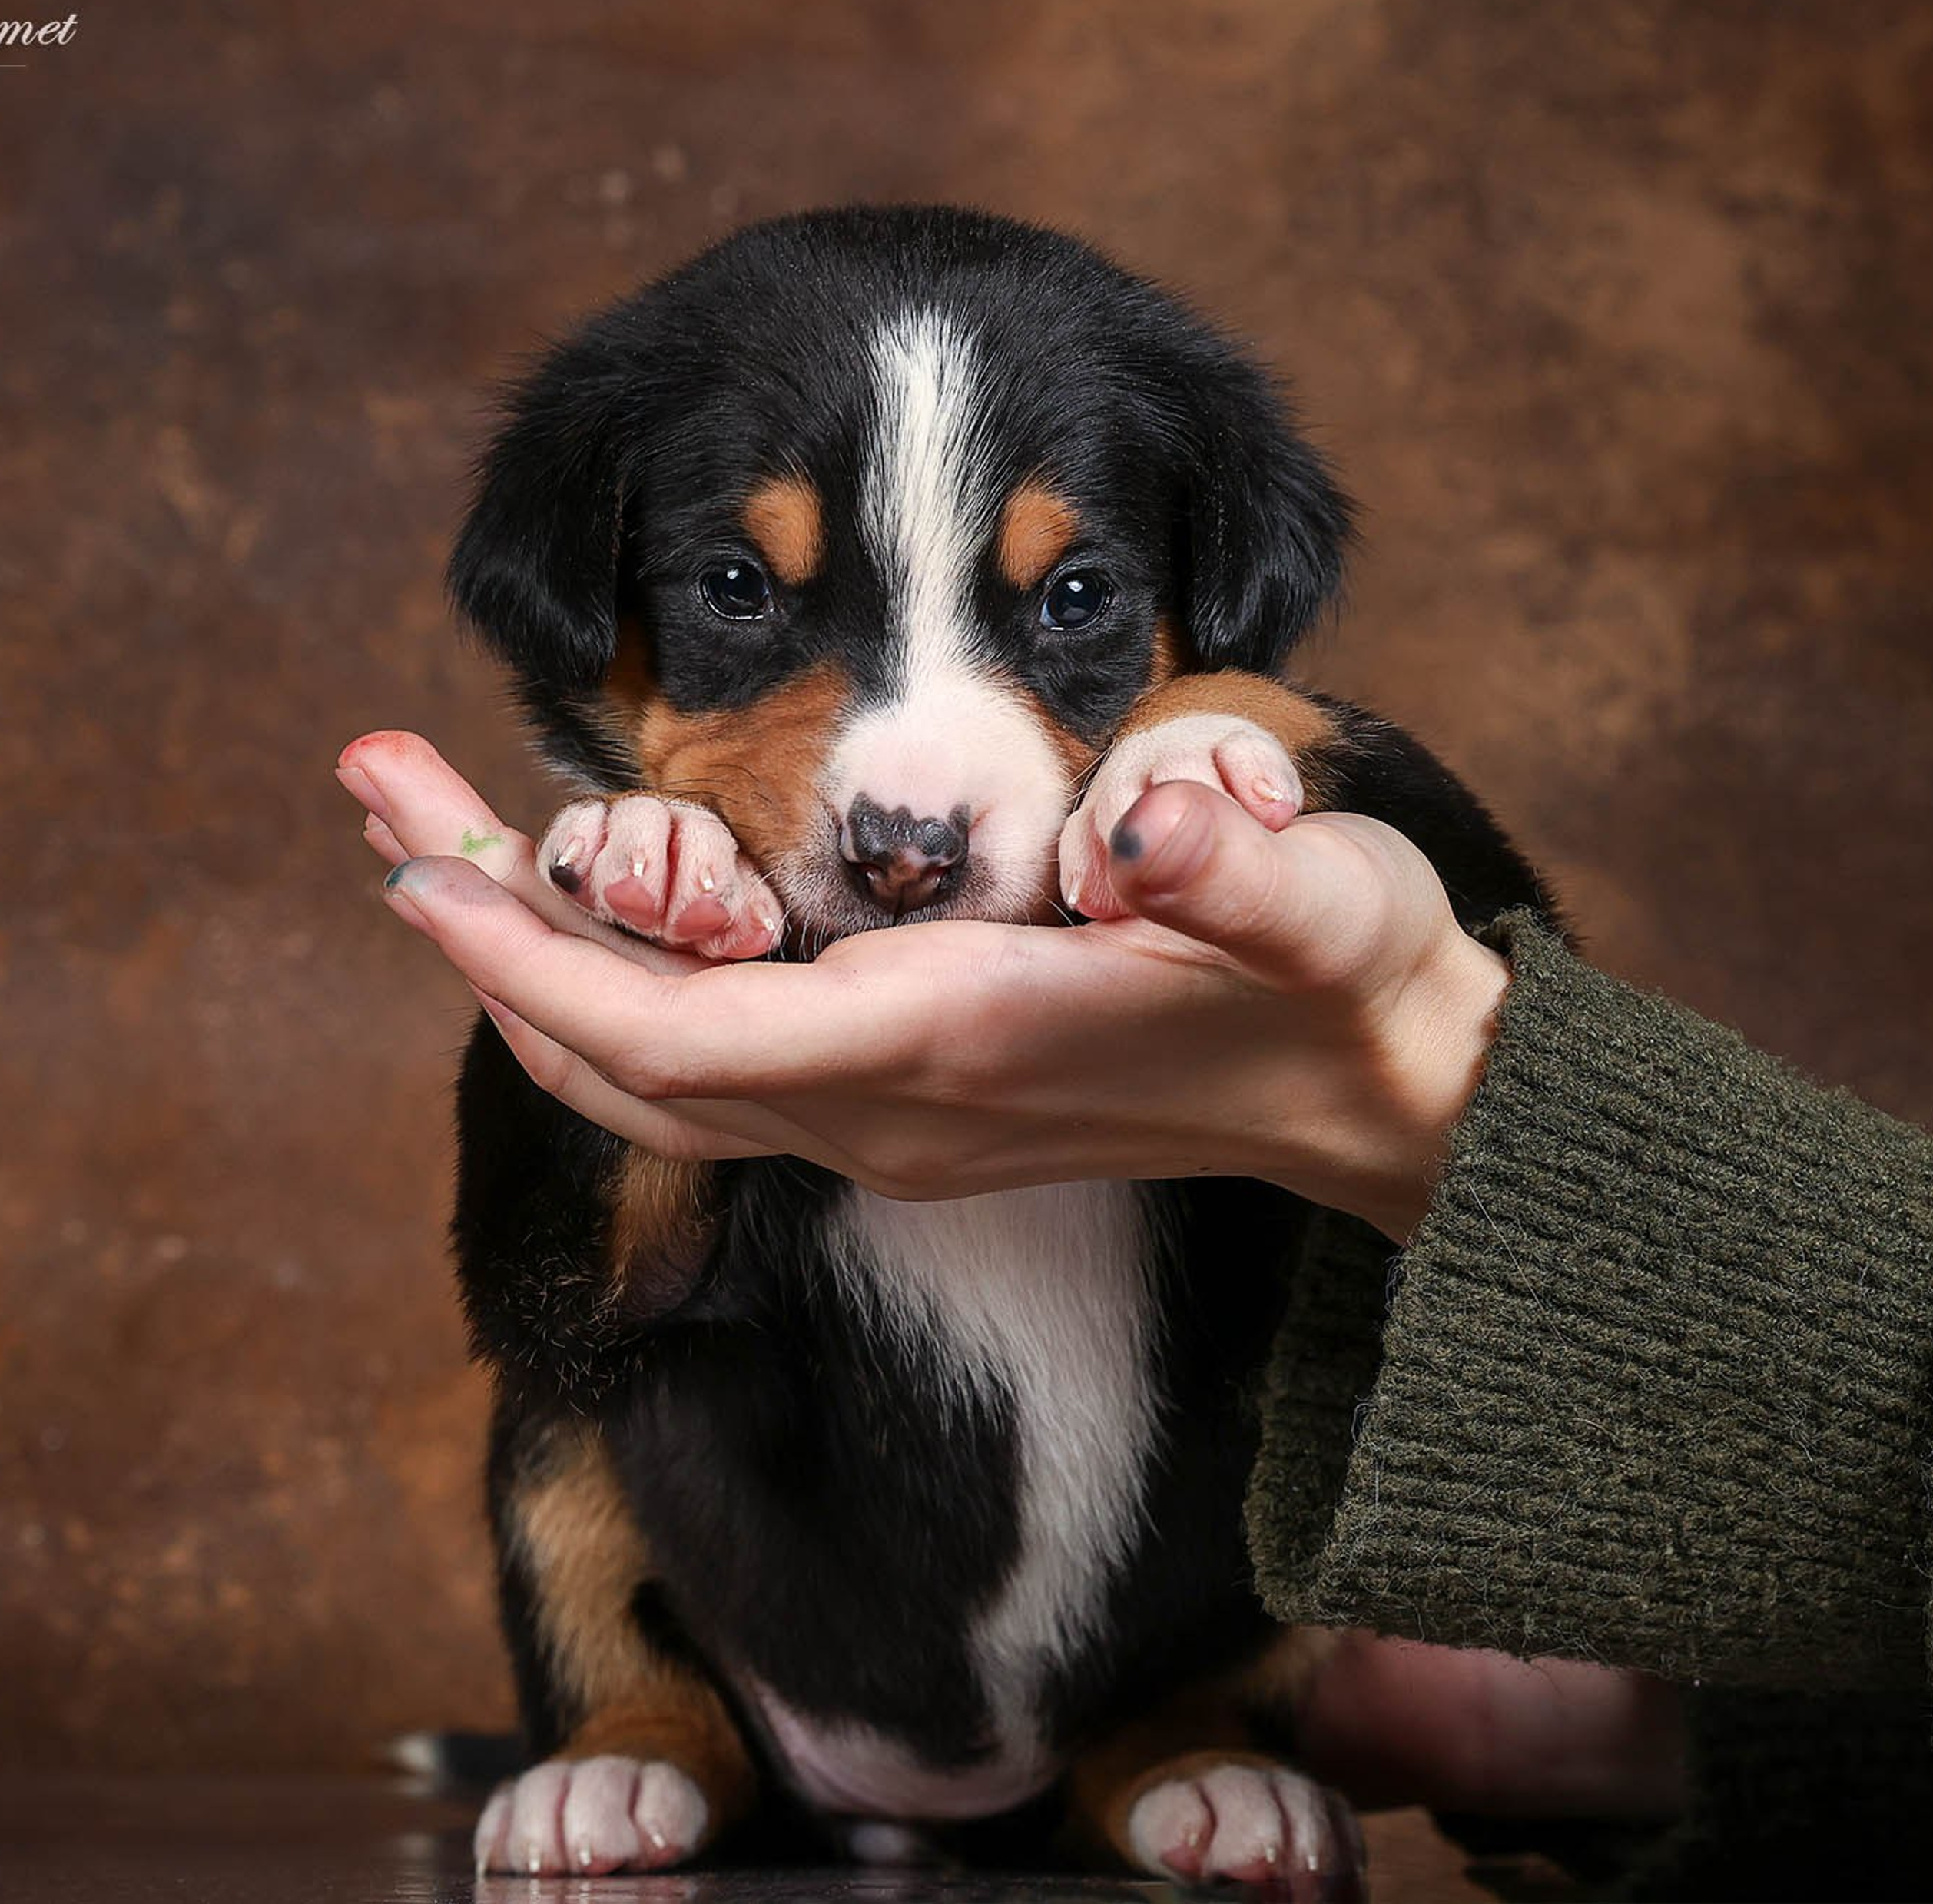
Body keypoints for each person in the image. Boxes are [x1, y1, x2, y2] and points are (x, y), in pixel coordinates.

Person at [340, 729, 1933, 1899]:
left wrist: (1416, 1052)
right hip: (753, 1590)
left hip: (1176, 1627)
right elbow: (567, 1315)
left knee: (1283, 1343)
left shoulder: (1185, 781)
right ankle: (651, 1713)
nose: (903, 766)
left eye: (1072, 600)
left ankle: (1164, 1732)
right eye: (743, 592)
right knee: (582, 1395)